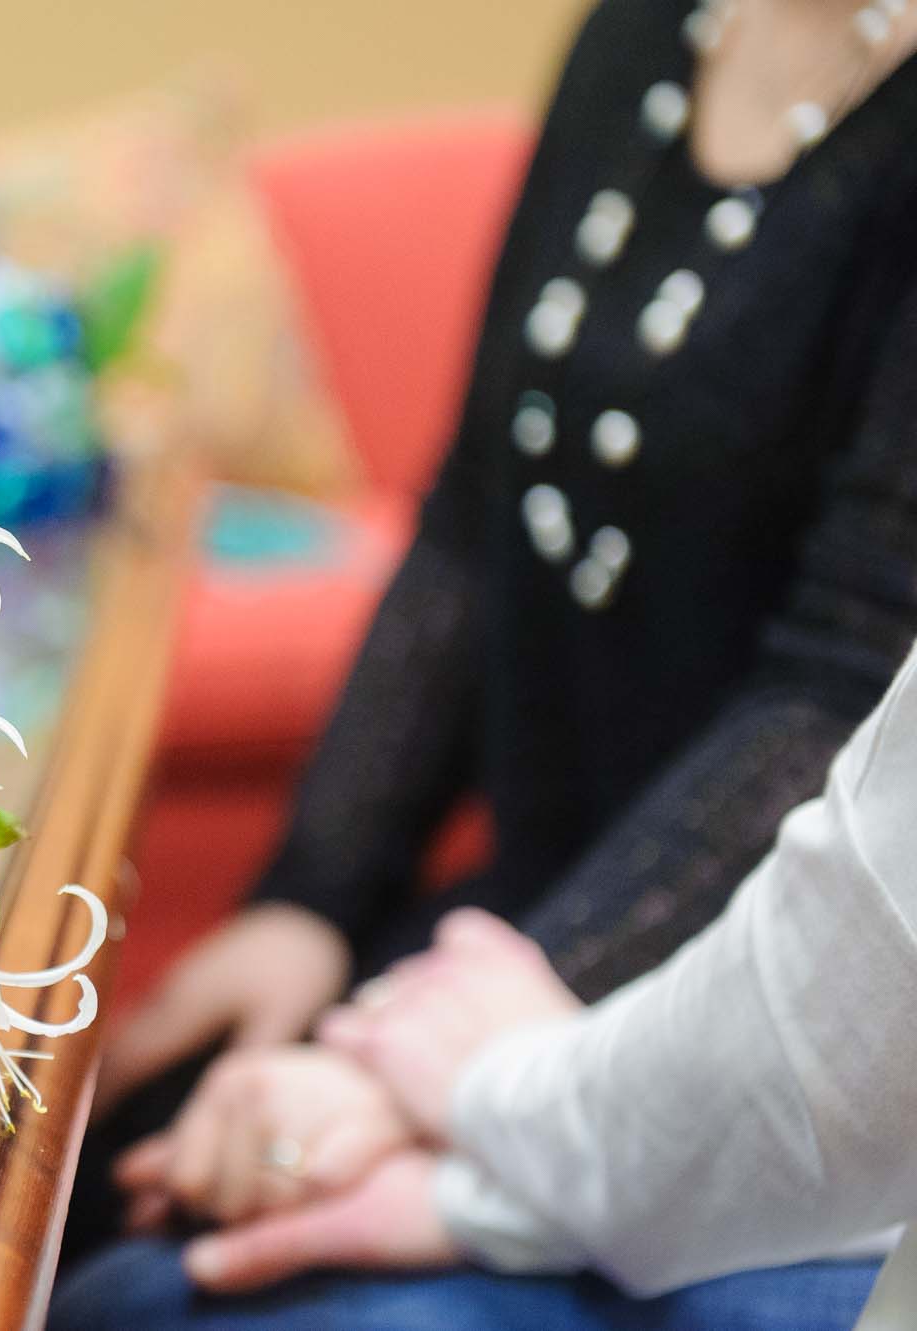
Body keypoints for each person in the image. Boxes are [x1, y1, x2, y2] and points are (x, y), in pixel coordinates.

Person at [66, 0, 917, 1288]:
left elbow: (843, 677)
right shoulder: (640, 32)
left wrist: (465, 1063)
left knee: (155, 1280)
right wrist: (307, 898)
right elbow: (472, 515)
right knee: (117, 1140)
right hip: (530, 905)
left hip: (757, 1001)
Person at [51, 631, 917, 1328]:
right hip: (632, 1055)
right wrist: (309, 898)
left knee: (144, 1298)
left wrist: (471, 1122)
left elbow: (827, 1068)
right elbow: (469, 527)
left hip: (757, 1140)